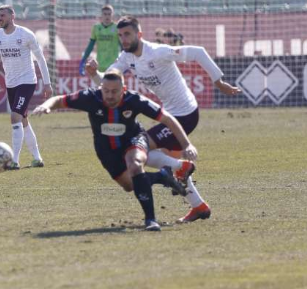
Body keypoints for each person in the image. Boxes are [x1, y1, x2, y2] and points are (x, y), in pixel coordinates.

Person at [87, 15, 241, 222]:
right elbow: (108, 84)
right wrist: (95, 73)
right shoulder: (126, 57)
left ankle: (181, 168)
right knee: (161, 163)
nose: (123, 39)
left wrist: (218, 81)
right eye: (120, 35)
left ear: (139, 34)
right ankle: (199, 206)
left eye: (128, 34)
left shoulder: (157, 52)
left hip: (185, 114)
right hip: (171, 114)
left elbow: (198, 52)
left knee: (138, 151)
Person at [32, 70, 197, 231]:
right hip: (106, 150)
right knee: (129, 185)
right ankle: (162, 176)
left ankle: (151, 219)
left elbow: (167, 118)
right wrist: (46, 106)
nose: (110, 95)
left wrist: (186, 145)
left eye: (114, 91)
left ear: (123, 90)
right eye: (106, 91)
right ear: (100, 88)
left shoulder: (135, 100)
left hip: (134, 140)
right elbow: (60, 99)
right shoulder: (90, 98)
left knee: (135, 165)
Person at [0, 5, 53, 169]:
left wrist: (47, 83)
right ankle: (37, 158)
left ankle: (14, 161)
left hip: (27, 82)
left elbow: (40, 59)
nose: (0, 18)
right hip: (11, 84)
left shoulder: (25, 34)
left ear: (12, 16)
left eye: (2, 15)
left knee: (15, 116)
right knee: (23, 120)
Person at [78, 4, 120, 76]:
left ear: (112, 15)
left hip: (114, 65)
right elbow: (90, 46)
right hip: (100, 65)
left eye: (109, 14)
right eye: (105, 14)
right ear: (101, 15)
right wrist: (83, 60)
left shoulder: (117, 28)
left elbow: (123, 47)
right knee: (101, 86)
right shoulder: (96, 28)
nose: (107, 16)